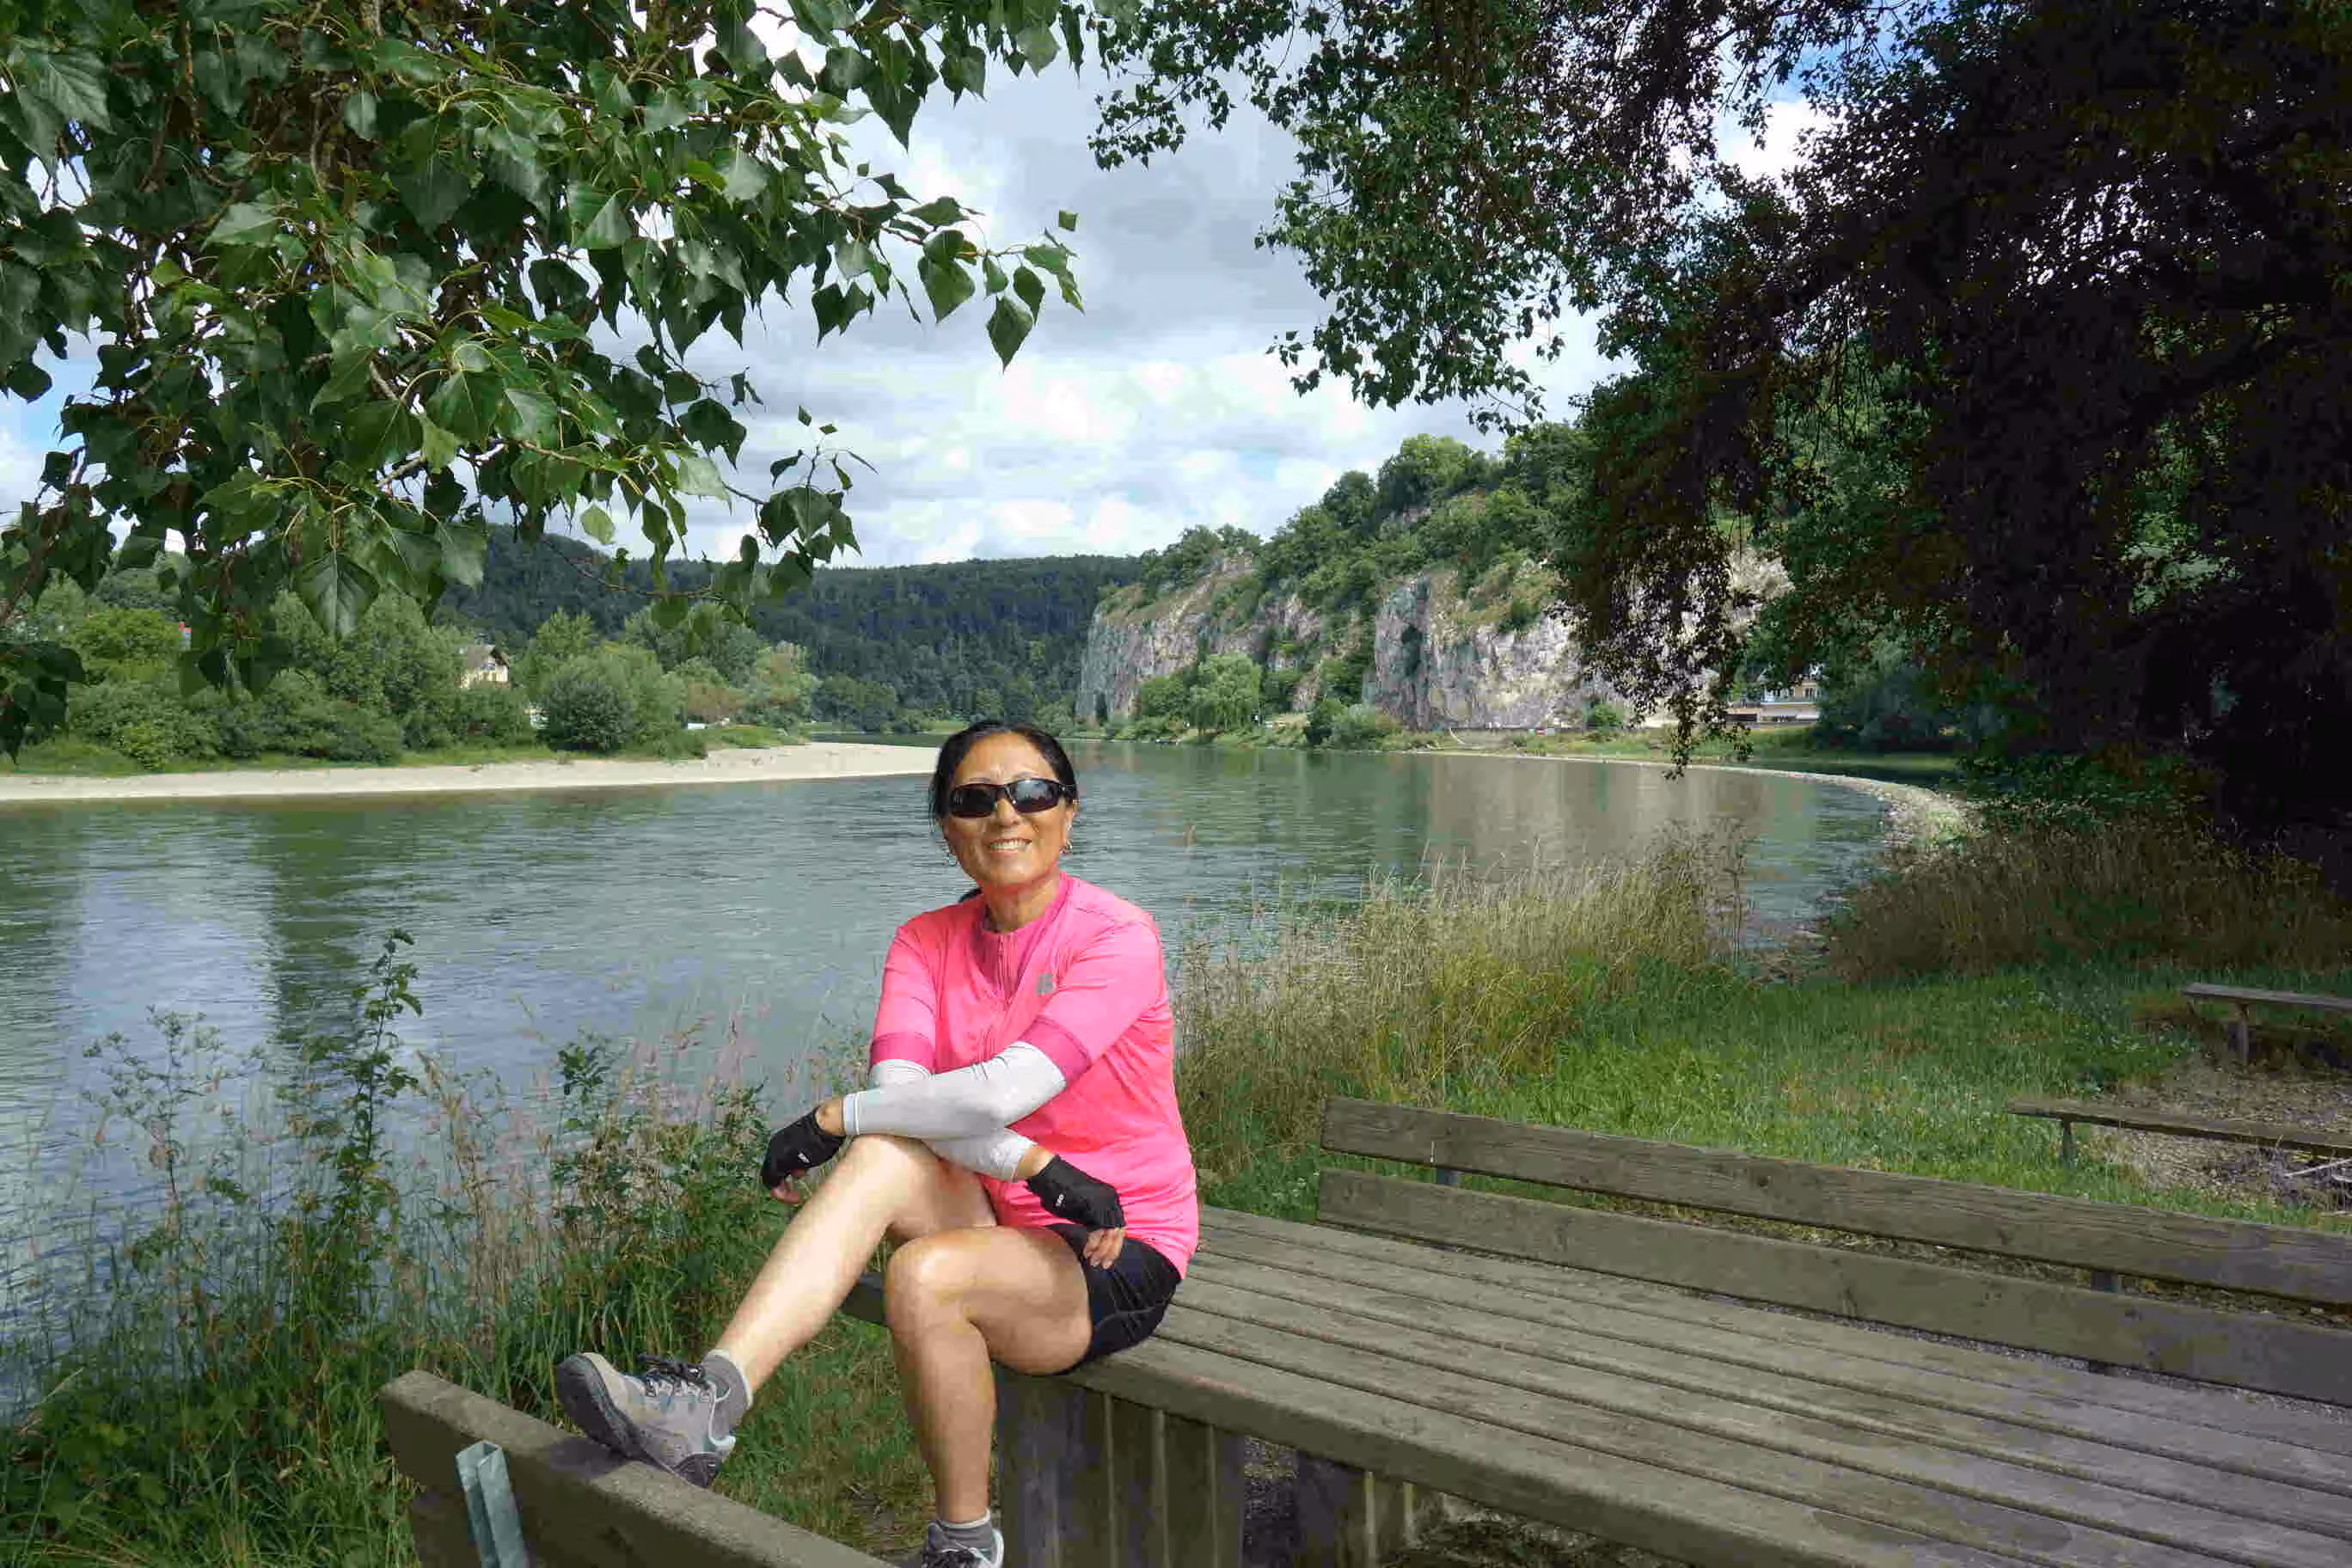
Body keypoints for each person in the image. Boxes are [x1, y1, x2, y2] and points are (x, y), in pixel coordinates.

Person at [556, 720, 1198, 1568]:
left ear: (1069, 814)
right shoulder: (925, 941)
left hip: (1116, 1240)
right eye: (975, 799)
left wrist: (832, 1117)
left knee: (923, 1271)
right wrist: (1032, 1165)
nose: (1006, 814)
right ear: (947, 829)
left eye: (1032, 792)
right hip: (1002, 1206)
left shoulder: (1118, 938)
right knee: (884, 1154)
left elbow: (1001, 1089)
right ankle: (709, 1405)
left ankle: (963, 1545)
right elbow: (901, 1105)